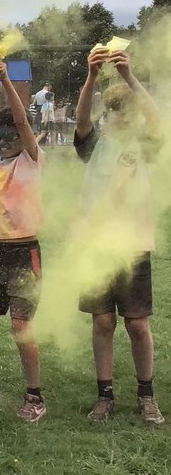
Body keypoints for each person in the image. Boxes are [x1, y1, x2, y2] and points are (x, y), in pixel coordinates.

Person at [73, 48, 164, 424]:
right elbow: (80, 119)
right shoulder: (95, 144)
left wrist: (129, 77)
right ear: (106, 115)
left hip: (133, 245)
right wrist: (92, 77)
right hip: (95, 244)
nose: (121, 117)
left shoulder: (145, 144)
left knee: (138, 324)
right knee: (103, 322)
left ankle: (147, 395)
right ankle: (105, 394)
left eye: (127, 110)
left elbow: (159, 122)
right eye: (114, 111)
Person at [0, 60, 47, 421]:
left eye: (8, 137)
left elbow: (21, 120)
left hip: (24, 253)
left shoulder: (33, 160)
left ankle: (34, 396)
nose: (1, 142)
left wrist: (6, 79)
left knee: (21, 327)